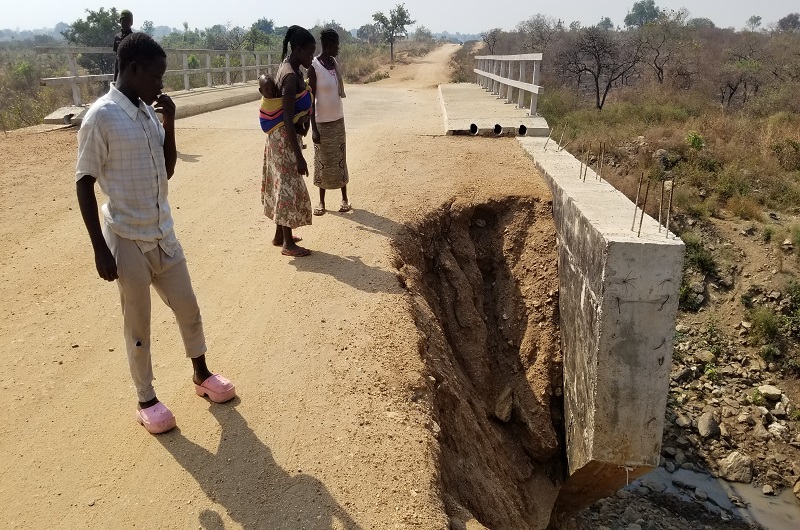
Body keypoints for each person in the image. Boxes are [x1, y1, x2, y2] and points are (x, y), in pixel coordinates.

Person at [75, 33, 236, 435]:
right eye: (157, 76)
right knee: (139, 323)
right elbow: (83, 181)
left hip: (163, 231)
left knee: (188, 306)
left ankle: (201, 374)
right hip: (126, 235)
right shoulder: (101, 116)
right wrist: (100, 248)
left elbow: (167, 170)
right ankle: (145, 398)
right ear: (133, 70)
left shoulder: (147, 113)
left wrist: (170, 120)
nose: (161, 85)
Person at [261, 25, 316, 257]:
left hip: (280, 136)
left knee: (280, 182)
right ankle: (288, 244)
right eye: (310, 52)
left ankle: (279, 235)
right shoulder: (291, 76)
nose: (312, 57)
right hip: (284, 138)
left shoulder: (288, 66)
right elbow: (286, 117)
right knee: (286, 186)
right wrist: (300, 157)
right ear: (299, 49)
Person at [308, 28, 350, 215]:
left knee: (340, 160)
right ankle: (322, 202)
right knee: (322, 162)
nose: (339, 49)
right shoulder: (314, 67)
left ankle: (344, 199)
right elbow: (310, 100)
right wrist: (313, 129)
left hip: (338, 121)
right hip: (321, 123)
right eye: (337, 45)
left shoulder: (334, 64)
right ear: (330, 45)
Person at [112, 9, 134, 82]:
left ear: (131, 23)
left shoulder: (133, 37)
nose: (124, 23)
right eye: (123, 21)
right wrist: (115, 78)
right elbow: (116, 57)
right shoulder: (117, 37)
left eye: (127, 21)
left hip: (129, 70)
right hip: (119, 69)